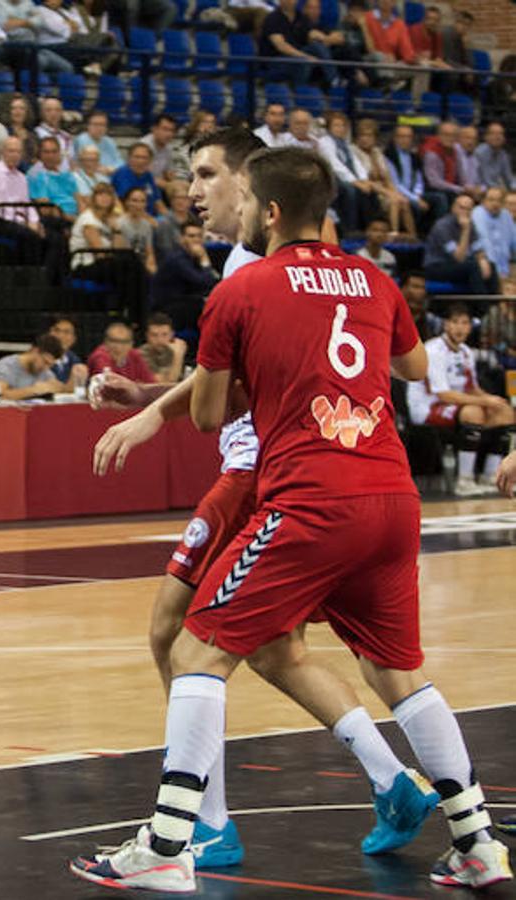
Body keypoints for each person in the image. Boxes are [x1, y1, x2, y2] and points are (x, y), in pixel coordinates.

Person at [72, 145, 510, 893]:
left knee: (194, 653)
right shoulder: (371, 277)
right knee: (398, 672)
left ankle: (172, 842)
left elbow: (209, 416)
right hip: (391, 497)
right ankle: (477, 845)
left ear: (267, 212)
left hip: (309, 498)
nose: (233, 208)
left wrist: (225, 377)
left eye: (240, 198)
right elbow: (407, 369)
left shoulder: (241, 292)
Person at [406, 303, 514, 495]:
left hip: (456, 405)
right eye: (455, 322)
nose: (460, 328)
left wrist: (492, 400)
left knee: (504, 411)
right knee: (474, 412)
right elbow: (443, 394)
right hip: (427, 406)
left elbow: (472, 388)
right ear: (446, 325)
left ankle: (491, 476)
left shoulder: (465, 351)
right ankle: (464, 480)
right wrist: (485, 402)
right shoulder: (434, 350)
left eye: (465, 323)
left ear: (470, 327)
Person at [424, 194, 500, 294]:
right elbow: (459, 258)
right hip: (437, 266)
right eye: (462, 208)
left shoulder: (470, 223)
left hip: (458, 266)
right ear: (453, 208)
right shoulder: (442, 226)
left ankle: (494, 306)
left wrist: (482, 259)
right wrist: (465, 230)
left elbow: (478, 248)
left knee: (491, 266)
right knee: (473, 267)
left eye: (468, 209)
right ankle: (483, 307)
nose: (465, 212)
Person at [151, 220, 217, 328]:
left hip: (184, 303)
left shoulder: (194, 256)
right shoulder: (177, 258)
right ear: (181, 239)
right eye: (191, 236)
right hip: (167, 309)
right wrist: (204, 260)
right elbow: (204, 282)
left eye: (199, 236)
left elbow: (211, 281)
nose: (196, 240)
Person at [259, 0, 338, 86]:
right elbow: (281, 46)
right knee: (302, 61)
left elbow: (312, 33)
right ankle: (299, 90)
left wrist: (328, 38)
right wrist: (306, 56)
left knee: (318, 47)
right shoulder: (273, 18)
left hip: (296, 56)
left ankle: (334, 80)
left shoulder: (300, 17)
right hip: (275, 60)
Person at [0, 137, 41, 234]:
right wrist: (22, 222)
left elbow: (27, 203)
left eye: (18, 152)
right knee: (29, 235)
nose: (15, 155)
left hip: (18, 220)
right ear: (3, 152)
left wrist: (35, 221)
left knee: (50, 235)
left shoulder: (22, 177)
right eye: (11, 151)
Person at [0, 334, 66, 399]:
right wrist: (34, 390)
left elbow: (59, 387)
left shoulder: (44, 370)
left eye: (50, 365)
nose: (46, 368)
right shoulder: (6, 366)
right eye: (45, 362)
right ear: (35, 351)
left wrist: (55, 388)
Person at [27, 136, 79, 221]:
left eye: (54, 152)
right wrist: (71, 219)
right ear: (40, 154)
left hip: (76, 218)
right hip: (57, 221)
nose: (51, 156)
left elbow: (78, 198)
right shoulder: (34, 175)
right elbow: (45, 209)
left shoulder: (67, 174)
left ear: (59, 153)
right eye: (46, 152)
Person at [88, 320, 156, 382]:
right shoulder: (99, 357)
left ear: (131, 344)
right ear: (106, 342)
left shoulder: (135, 355)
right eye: (114, 341)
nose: (119, 347)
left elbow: (150, 382)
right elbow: (110, 385)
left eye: (125, 342)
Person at [474, 186, 516, 282]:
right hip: (485, 268)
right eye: (491, 200)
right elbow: (485, 243)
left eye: (499, 200)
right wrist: (497, 273)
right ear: (483, 201)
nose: (495, 204)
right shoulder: (478, 214)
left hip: (505, 269)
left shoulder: (506, 215)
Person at [110, 143, 163, 216]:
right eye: (137, 157)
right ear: (129, 158)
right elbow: (130, 208)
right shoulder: (122, 174)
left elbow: (158, 202)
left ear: (150, 160)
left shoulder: (148, 175)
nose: (140, 161)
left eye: (144, 157)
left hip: (152, 217)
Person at [139, 311, 187, 383]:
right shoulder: (140, 355)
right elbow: (163, 383)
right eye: (154, 335)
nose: (160, 340)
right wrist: (178, 356)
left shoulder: (176, 347)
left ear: (172, 334)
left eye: (164, 335)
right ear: (147, 336)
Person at [46, 316, 89, 389]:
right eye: (56, 330)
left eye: (66, 332)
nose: (60, 336)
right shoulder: (39, 357)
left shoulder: (74, 359)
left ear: (74, 339)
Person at [475, 122, 511, 193]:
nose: (497, 137)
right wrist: (499, 189)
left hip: (494, 190)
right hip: (480, 189)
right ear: (486, 137)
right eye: (493, 133)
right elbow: (486, 181)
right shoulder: (480, 152)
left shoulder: (503, 155)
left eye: (500, 134)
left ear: (504, 138)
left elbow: (508, 178)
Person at [71, 144, 108, 209]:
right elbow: (84, 199)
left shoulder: (104, 179)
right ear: (81, 161)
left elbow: (113, 198)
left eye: (93, 160)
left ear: (98, 161)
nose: (89, 164)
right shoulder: (73, 177)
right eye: (86, 160)